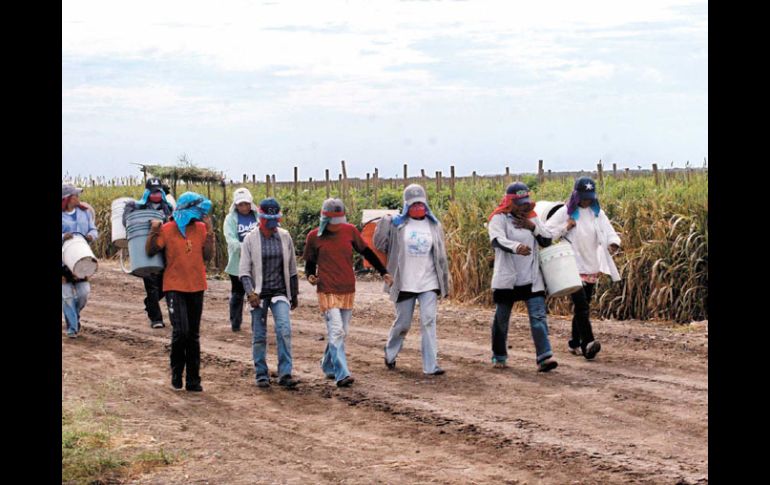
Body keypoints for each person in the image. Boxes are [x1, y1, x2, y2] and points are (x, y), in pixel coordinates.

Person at [303, 198, 392, 387]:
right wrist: (311, 276)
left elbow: (366, 252)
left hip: (347, 288)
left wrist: (383, 271)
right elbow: (309, 264)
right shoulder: (314, 237)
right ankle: (341, 373)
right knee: (336, 330)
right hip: (326, 289)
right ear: (324, 219)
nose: (336, 225)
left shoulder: (350, 231)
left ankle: (327, 365)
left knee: (341, 332)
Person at [373, 184, 449, 375]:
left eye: (421, 204)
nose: (418, 208)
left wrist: (445, 283)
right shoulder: (397, 225)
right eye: (413, 204)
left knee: (429, 321)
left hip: (428, 282)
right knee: (403, 323)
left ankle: (431, 366)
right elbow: (379, 244)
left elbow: (441, 256)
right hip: (404, 282)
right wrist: (386, 222)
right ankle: (390, 353)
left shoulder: (434, 225)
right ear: (406, 205)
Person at [544, 176, 622, 360]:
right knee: (581, 305)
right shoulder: (565, 212)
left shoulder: (597, 213)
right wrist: (566, 226)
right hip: (571, 263)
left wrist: (613, 243)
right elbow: (547, 233)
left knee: (583, 306)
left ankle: (574, 342)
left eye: (590, 197)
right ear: (576, 196)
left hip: (591, 264)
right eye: (584, 197)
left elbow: (609, 231)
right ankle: (588, 344)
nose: (587, 201)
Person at [146, 192, 215, 392]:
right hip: (174, 286)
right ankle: (176, 373)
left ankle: (194, 379)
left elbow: (208, 256)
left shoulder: (201, 229)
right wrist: (153, 231)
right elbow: (151, 251)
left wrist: (210, 233)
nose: (199, 217)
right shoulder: (167, 229)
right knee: (180, 332)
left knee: (193, 335)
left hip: (197, 286)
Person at [487, 182, 558, 372]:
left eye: (526, 202)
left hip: (532, 277)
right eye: (519, 203)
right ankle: (499, 355)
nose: (524, 206)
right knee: (502, 319)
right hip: (507, 278)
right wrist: (516, 247)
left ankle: (544, 357)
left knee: (538, 317)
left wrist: (532, 227)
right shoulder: (499, 218)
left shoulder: (532, 218)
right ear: (510, 202)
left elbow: (547, 240)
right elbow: (497, 240)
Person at [239, 198, 299, 388]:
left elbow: (292, 268)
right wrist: (250, 293)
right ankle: (261, 373)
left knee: (284, 330)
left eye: (275, 221)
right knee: (259, 335)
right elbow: (244, 271)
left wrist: (294, 294)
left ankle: (285, 373)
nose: (272, 225)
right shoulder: (250, 239)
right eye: (268, 221)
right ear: (260, 218)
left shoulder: (284, 236)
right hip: (258, 293)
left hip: (280, 291)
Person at [123, 177, 174, 328]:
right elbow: (128, 222)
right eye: (153, 192)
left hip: (163, 249)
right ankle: (156, 318)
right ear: (147, 192)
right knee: (151, 284)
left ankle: (149, 303)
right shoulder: (137, 207)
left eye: (158, 191)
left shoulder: (168, 208)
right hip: (144, 249)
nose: (156, 195)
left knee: (166, 284)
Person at [61, 183, 98, 338]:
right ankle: (72, 328)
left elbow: (93, 229)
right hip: (63, 261)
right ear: (68, 199)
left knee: (84, 293)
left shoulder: (85, 213)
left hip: (82, 257)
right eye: (76, 195)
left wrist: (91, 236)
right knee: (67, 295)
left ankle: (74, 316)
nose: (78, 197)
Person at [224, 187, 259, 331]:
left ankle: (256, 323)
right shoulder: (231, 218)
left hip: (256, 262)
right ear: (235, 205)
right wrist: (247, 247)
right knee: (238, 293)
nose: (243, 207)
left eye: (246, 203)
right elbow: (231, 240)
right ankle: (235, 323)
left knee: (256, 293)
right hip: (237, 261)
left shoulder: (258, 217)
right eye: (240, 204)